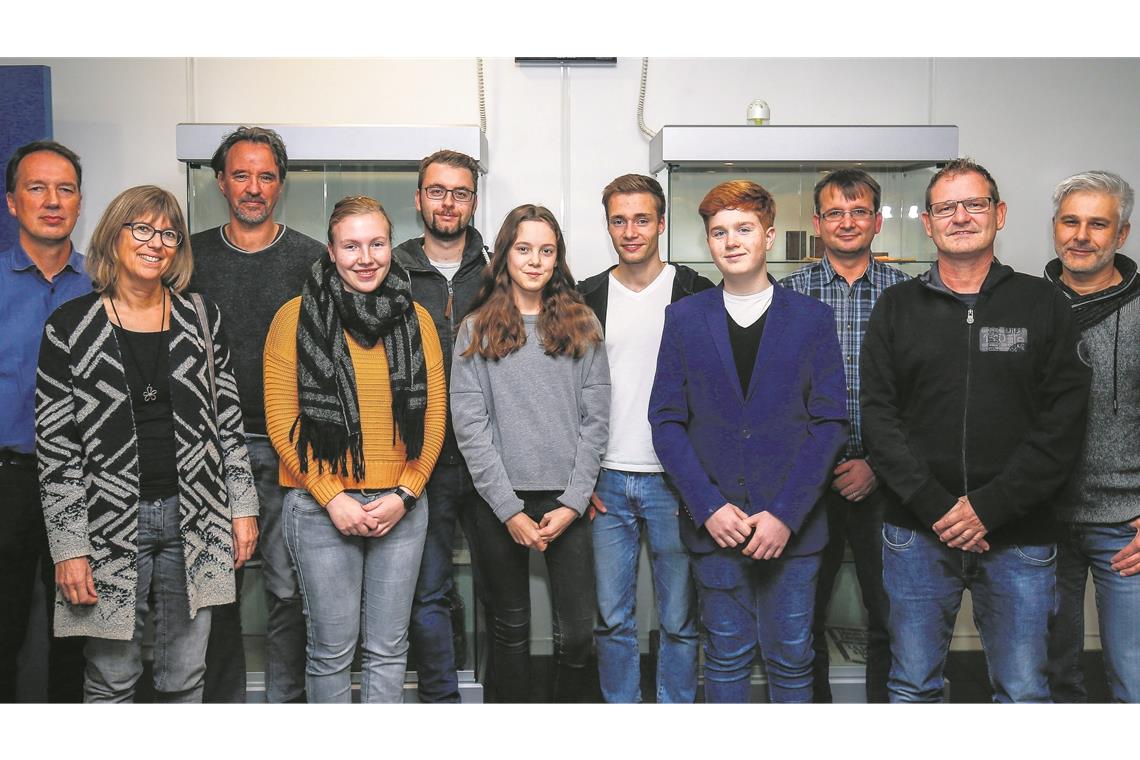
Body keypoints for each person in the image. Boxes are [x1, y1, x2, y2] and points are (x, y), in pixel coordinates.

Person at [861, 158, 1091, 703]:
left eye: (974, 204)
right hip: (916, 533)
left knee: (1021, 690)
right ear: (927, 222)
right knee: (913, 685)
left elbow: (1061, 424)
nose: (960, 216)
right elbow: (878, 417)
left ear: (1000, 214)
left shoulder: (1043, 305)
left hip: (1019, 536)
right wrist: (938, 507)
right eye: (946, 207)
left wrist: (988, 507)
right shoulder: (896, 307)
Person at [35, 185, 260, 702]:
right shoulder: (69, 328)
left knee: (186, 676)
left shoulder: (201, 319)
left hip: (197, 517)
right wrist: (69, 550)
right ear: (113, 236)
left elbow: (228, 423)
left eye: (167, 233)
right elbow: (57, 452)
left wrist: (242, 509)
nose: (155, 242)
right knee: (111, 679)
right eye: (142, 229)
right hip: (108, 526)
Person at [648, 180, 848, 703]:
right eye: (719, 232)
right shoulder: (685, 319)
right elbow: (665, 421)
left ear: (769, 236)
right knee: (726, 657)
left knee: (791, 659)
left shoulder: (811, 319)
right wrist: (708, 507)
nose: (731, 241)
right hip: (718, 528)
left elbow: (829, 424)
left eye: (744, 228)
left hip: (794, 531)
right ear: (708, 243)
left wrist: (786, 514)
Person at [264, 195, 446, 703]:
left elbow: (433, 416)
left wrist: (406, 494)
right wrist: (331, 496)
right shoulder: (294, 318)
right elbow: (282, 422)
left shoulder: (419, 321)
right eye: (351, 245)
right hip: (322, 507)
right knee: (331, 650)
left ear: (392, 246)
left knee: (389, 649)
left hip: (401, 504)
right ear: (331, 249)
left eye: (377, 243)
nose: (365, 258)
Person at [451, 204, 610, 703]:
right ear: (504, 256)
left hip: (567, 502)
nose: (536, 260)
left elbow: (596, 419)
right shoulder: (476, 329)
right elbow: (470, 428)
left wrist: (573, 501)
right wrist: (508, 510)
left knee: (578, 635)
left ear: (558, 258)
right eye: (524, 249)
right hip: (499, 503)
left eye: (547, 250)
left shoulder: (583, 324)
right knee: (509, 630)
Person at [191, 126, 324, 704]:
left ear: (280, 185)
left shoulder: (311, 259)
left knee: (287, 588)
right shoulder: (186, 257)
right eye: (240, 175)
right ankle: (224, 711)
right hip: (206, 449)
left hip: (287, 447)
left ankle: (283, 711)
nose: (253, 187)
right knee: (212, 588)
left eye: (265, 176)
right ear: (220, 182)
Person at [577, 173, 711, 703]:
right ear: (607, 224)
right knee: (612, 620)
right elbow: (570, 394)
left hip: (675, 483)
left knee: (679, 619)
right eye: (618, 220)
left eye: (641, 219)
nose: (630, 231)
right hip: (606, 482)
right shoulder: (586, 296)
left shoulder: (697, 292)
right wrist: (578, 478)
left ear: (661, 222)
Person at [779, 169, 908, 703]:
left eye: (858, 212)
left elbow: (923, 395)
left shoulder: (909, 295)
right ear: (817, 223)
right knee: (802, 616)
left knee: (892, 614)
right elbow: (776, 396)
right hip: (809, 483)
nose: (847, 222)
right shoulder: (787, 294)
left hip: (891, 482)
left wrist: (877, 464)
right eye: (835, 212)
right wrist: (816, 465)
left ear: (877, 221)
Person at [393, 149, 490, 702]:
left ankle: (501, 705)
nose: (447, 203)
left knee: (499, 593)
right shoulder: (392, 267)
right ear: (419, 198)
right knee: (427, 593)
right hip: (417, 459)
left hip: (490, 461)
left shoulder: (501, 267)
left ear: (473, 201)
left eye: (459, 192)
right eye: (437, 191)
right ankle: (441, 706)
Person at [1043, 170, 1140, 703]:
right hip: (1039, 521)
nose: (1081, 235)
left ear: (1120, 235)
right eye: (1070, 221)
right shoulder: (1026, 305)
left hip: (1125, 526)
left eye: (1098, 224)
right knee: (1050, 676)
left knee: (1132, 676)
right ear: (1054, 229)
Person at [1, 140, 89, 702]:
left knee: (79, 637)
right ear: (12, 202)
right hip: (7, 480)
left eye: (65, 189)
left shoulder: (108, 286)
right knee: (3, 629)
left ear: (80, 202)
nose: (52, 201)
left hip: (89, 487)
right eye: (37, 188)